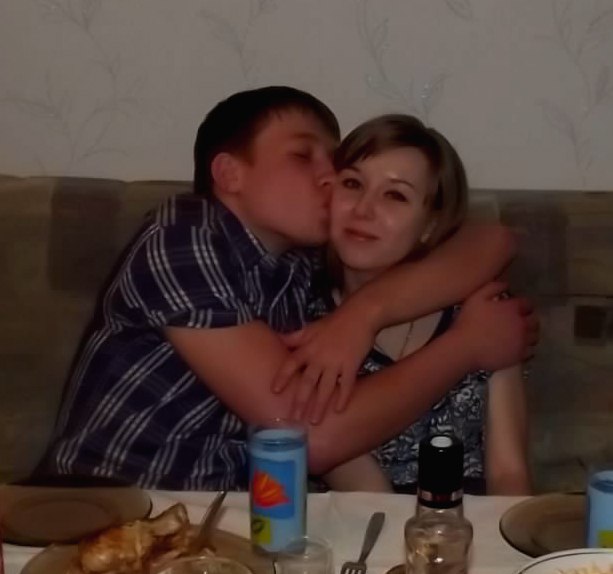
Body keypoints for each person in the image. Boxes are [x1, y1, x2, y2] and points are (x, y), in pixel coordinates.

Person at [41, 86, 536, 490]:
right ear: (230, 173)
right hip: (102, 504)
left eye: (335, 162)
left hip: (220, 526)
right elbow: (310, 436)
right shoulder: (183, 236)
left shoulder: (298, 272)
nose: (330, 178)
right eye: (304, 156)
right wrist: (468, 346)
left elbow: (495, 239)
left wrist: (363, 314)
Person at [297, 114, 530, 494]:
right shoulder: (304, 314)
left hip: (471, 522)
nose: (363, 209)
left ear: (430, 225)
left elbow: (509, 472)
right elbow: (358, 483)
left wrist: (506, 534)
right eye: (353, 184)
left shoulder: (481, 308)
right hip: (365, 521)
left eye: (395, 195)